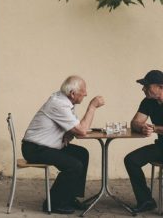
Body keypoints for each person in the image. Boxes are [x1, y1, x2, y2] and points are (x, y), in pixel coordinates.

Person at [21, 75, 105, 214]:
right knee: (74, 165)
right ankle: (53, 203)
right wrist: (92, 106)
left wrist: (72, 131)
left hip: (47, 146)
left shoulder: (64, 101)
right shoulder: (58, 103)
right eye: (83, 92)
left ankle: (69, 197)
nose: (86, 94)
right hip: (35, 149)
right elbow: (82, 130)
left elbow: (77, 130)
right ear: (72, 93)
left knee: (82, 154)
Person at [124, 70, 163, 213]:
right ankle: (146, 201)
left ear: (160, 86)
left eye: (147, 85)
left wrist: (155, 128)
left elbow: (156, 128)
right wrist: (142, 127)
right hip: (161, 147)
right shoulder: (148, 102)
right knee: (131, 160)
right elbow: (134, 122)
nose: (143, 89)